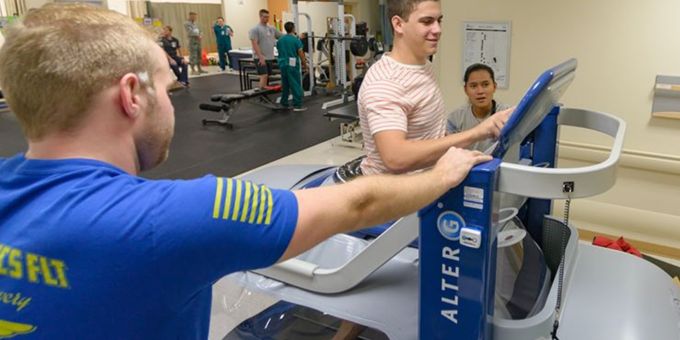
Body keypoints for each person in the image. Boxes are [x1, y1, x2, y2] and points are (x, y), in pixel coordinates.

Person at [0, 4, 491, 339]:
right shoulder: (179, 214)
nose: (173, 107)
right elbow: (359, 201)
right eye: (169, 91)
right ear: (131, 96)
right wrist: (447, 171)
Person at [356, 0, 512, 177]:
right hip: (395, 198)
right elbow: (395, 158)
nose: (437, 29)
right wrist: (478, 132)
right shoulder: (386, 81)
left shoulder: (424, 65)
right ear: (398, 24)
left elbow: (429, 134)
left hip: (427, 184)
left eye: (439, 20)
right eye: (427, 21)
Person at [448, 63, 512, 152]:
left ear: (494, 87)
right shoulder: (455, 118)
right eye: (473, 86)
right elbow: (448, 151)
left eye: (485, 85)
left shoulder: (507, 115)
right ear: (466, 90)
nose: (480, 91)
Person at [276, 22, 307, 111]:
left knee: (285, 84)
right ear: (293, 28)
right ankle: (297, 105)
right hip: (292, 65)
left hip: (282, 64)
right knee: (295, 84)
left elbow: (280, 51)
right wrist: (305, 65)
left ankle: (284, 103)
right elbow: (301, 53)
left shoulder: (280, 40)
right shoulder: (296, 40)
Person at [249, 9, 283, 89]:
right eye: (264, 17)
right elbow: (254, 44)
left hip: (270, 57)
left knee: (267, 76)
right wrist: (261, 57)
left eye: (268, 17)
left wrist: (292, 35)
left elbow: (281, 36)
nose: (266, 19)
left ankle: (264, 94)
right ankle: (261, 96)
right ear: (260, 17)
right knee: (264, 75)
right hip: (260, 58)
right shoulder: (255, 29)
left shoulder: (272, 28)